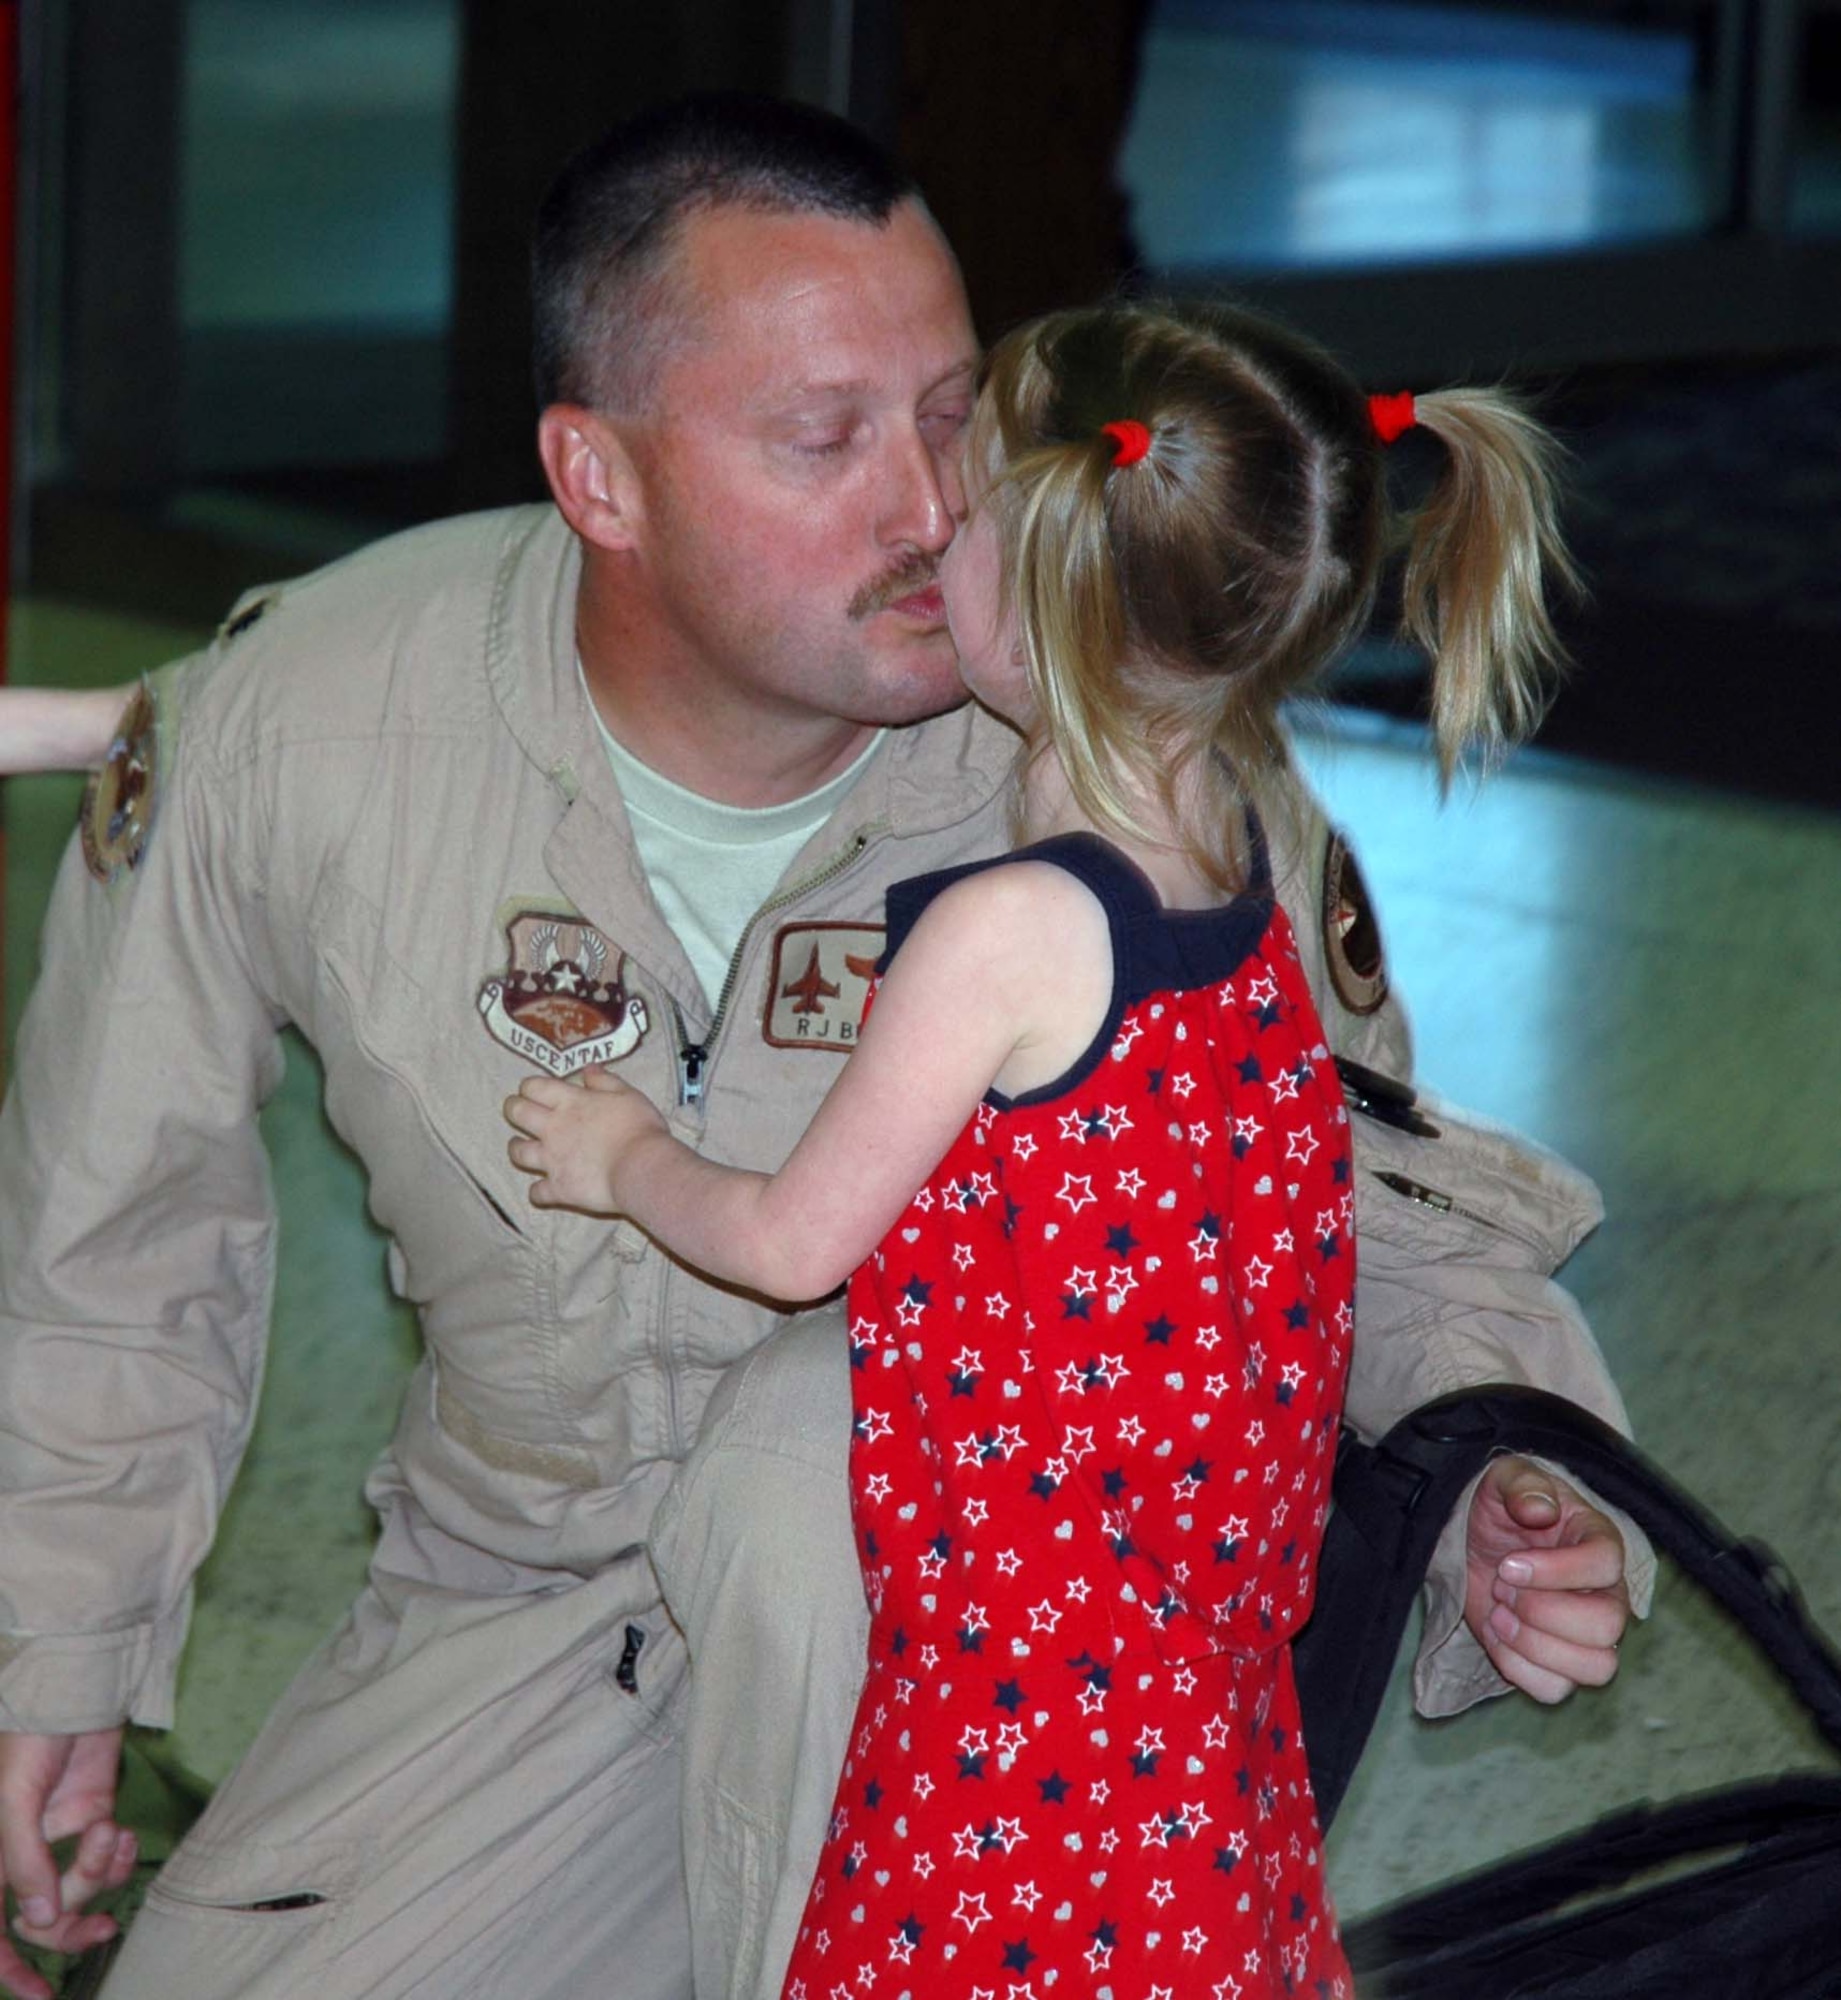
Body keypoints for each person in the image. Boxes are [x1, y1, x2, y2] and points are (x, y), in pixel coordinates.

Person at [0, 95, 1646, 2000]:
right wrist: (53, 1668)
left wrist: (1508, 1501)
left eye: (956, 418)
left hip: (1005, 1683)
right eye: (822, 440)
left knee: (805, 1462)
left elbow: (1361, 1213)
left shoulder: (1125, 771)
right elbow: (113, 1237)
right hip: (526, 1605)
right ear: (598, 479)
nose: (934, 510)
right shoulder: (309, 724)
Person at [501, 298, 1581, 1999]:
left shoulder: (1009, 936)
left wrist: (622, 1147)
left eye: (972, 498)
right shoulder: (1233, 840)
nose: (933, 525)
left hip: (1012, 1729)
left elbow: (793, 1243)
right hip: (1193, 1715)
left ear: (1052, 570)